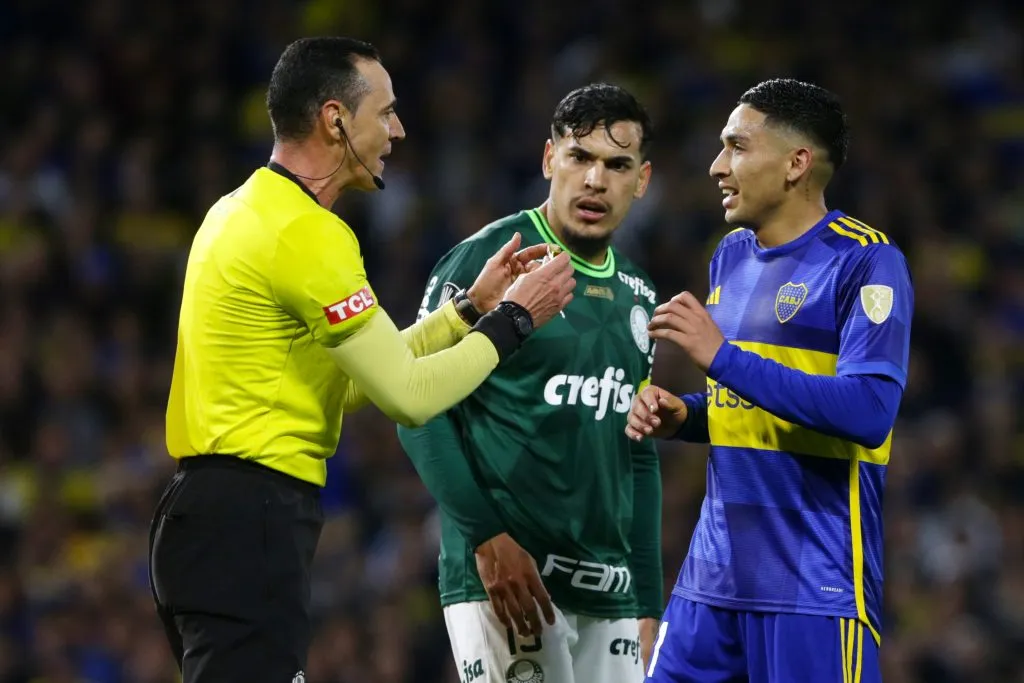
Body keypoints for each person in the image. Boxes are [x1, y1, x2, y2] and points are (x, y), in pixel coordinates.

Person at [148, 36, 575, 683]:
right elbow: (408, 395)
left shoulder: (237, 212)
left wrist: (465, 313)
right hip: (249, 523)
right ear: (335, 119)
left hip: (200, 518)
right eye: (386, 112)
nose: (398, 129)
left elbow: (354, 385)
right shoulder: (309, 233)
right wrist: (515, 320)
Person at [630, 79, 913, 683]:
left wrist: (722, 357)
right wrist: (687, 415)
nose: (716, 167)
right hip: (711, 580)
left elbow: (868, 411)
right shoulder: (729, 255)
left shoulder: (866, 260)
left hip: (813, 585)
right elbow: (749, 403)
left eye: (736, 147)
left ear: (796, 163)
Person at [397, 83, 664, 683]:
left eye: (617, 165)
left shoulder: (640, 294)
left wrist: (648, 598)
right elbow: (416, 408)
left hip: (611, 595)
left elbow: (637, 451)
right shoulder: (488, 258)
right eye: (580, 158)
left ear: (641, 181)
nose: (596, 180)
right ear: (550, 160)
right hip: (509, 581)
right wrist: (488, 538)